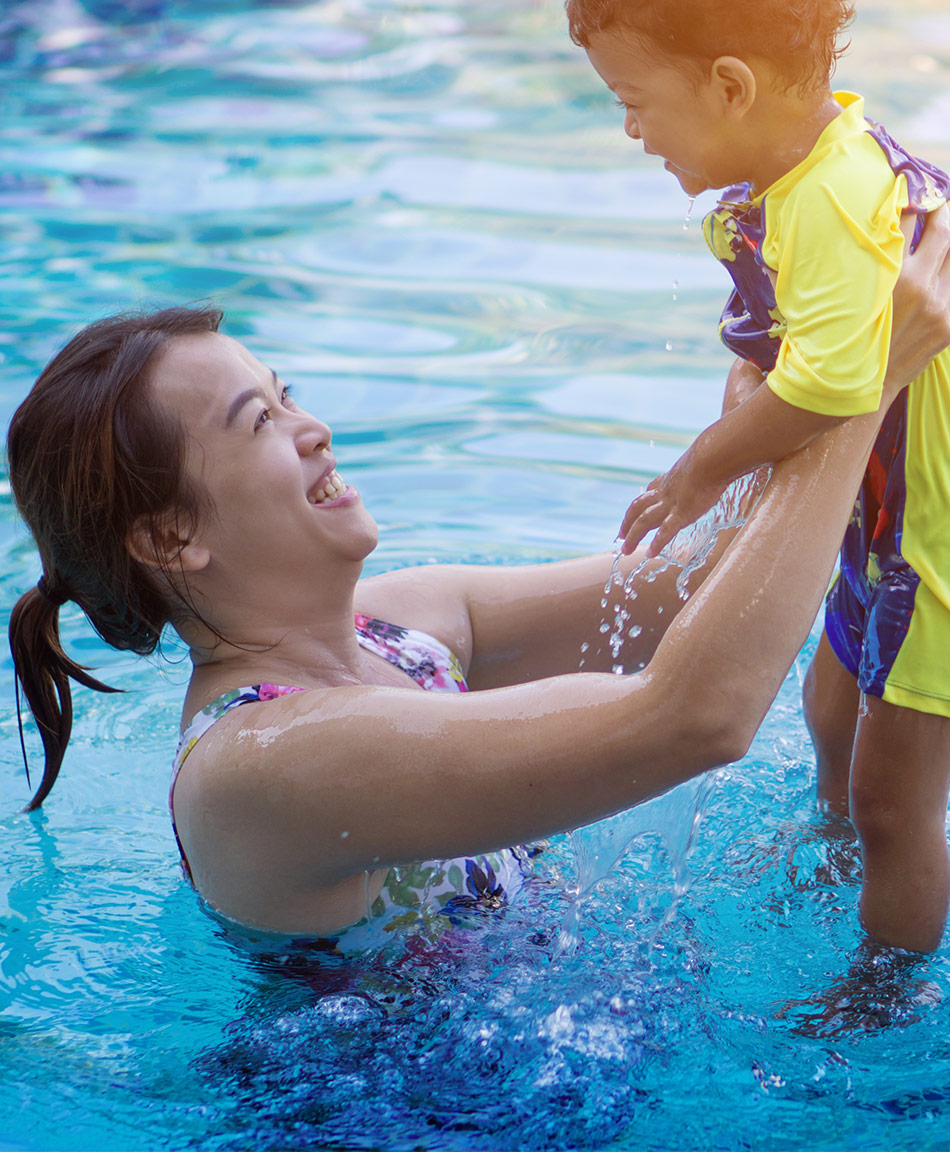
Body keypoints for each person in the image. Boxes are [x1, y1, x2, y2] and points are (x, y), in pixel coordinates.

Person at [6, 212, 950, 945]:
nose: (313, 428)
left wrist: (782, 388)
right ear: (171, 540)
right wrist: (860, 385)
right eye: (260, 422)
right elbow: (697, 716)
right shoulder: (261, 765)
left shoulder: (394, 627)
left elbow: (695, 590)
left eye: (287, 393)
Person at [568, 0, 950, 954]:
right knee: (830, 703)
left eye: (634, 101)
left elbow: (830, 388)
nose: (631, 131)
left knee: (896, 803)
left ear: (731, 87)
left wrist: (701, 470)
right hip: (884, 526)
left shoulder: (830, 197)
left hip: (937, 558)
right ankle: (832, 848)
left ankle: (886, 982)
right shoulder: (806, 170)